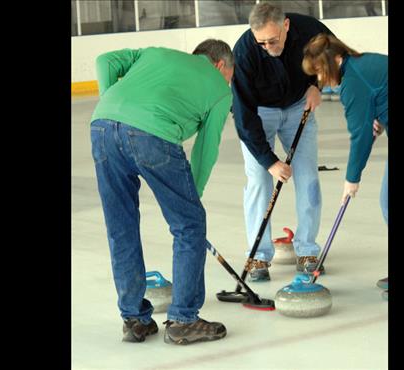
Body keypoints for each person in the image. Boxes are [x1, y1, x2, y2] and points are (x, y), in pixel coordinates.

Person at [90, 39, 235, 344]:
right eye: (230, 75)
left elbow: (105, 60)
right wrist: (190, 201)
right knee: (189, 225)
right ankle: (183, 319)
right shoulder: (220, 89)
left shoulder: (156, 53)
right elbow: (205, 152)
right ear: (221, 65)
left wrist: (114, 103)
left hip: (102, 126)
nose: (228, 82)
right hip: (152, 133)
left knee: (121, 225)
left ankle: (134, 319)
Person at [231, 2, 334, 282]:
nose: (267, 46)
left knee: (307, 177)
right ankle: (258, 255)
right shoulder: (244, 51)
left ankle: (308, 250)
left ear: (286, 25)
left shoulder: (310, 30)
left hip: (299, 105)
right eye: (261, 42)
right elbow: (243, 117)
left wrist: (318, 85)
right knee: (258, 181)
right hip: (259, 114)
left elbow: (334, 56)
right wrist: (269, 161)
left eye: (272, 40)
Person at [302, 33, 388, 300]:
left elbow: (360, 135)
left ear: (334, 59)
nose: (319, 79)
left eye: (319, 71)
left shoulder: (352, 83)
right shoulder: (363, 62)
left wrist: (352, 178)